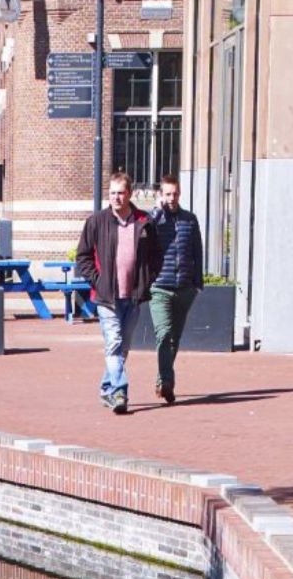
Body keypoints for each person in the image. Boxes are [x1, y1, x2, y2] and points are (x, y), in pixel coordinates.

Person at [74, 169, 161, 414]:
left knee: (123, 348)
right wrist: (97, 280)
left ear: (129, 194)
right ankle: (120, 391)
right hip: (107, 297)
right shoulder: (96, 222)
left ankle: (106, 389)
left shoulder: (144, 222)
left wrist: (147, 280)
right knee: (113, 344)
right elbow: (83, 256)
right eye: (112, 193)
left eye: (121, 193)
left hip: (133, 296)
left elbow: (157, 256)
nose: (116, 198)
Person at [148, 172, 205, 405]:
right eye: (167, 194)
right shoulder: (155, 219)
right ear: (161, 195)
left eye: (175, 194)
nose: (172, 198)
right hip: (160, 287)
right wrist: (157, 211)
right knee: (163, 334)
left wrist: (197, 283)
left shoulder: (189, 220)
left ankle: (162, 380)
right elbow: (144, 232)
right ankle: (167, 382)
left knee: (175, 339)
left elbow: (197, 251)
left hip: (184, 288)